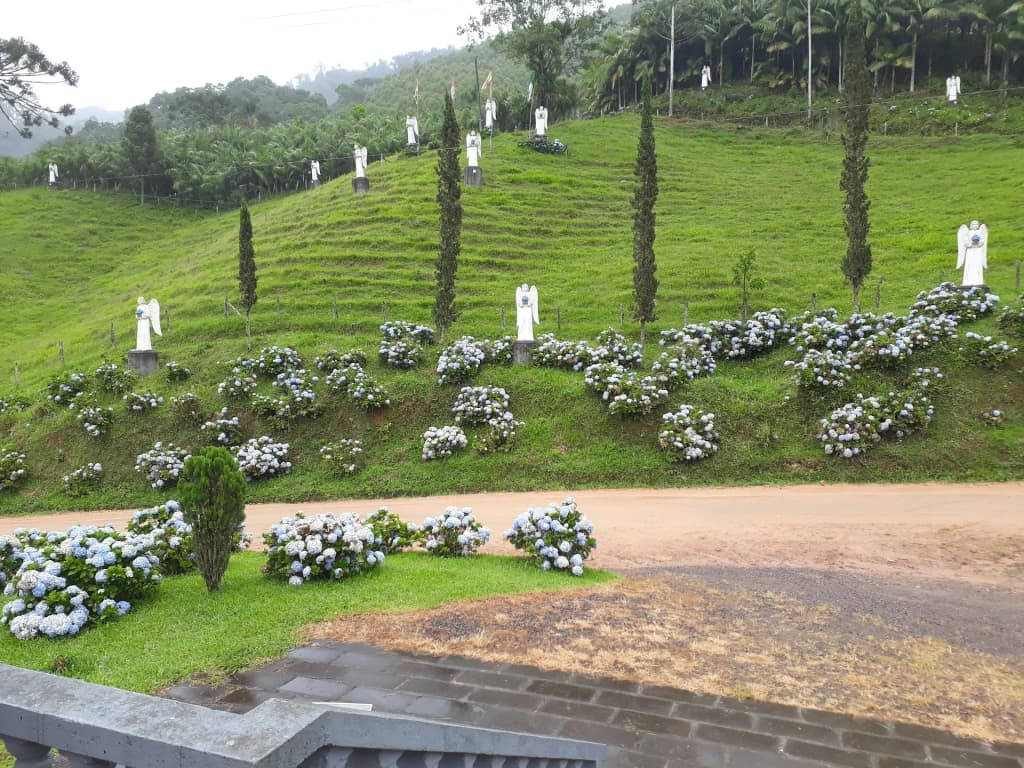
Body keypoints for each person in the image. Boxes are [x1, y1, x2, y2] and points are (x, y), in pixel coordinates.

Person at [957, 220, 988, 287]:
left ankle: (978, 280)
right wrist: (971, 243)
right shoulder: (967, 232)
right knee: (970, 265)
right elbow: (965, 242)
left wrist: (978, 243)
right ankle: (968, 281)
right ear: (970, 225)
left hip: (978, 251)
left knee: (977, 264)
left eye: (976, 224)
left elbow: (982, 241)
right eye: (973, 224)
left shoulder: (980, 232)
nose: (975, 225)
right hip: (970, 251)